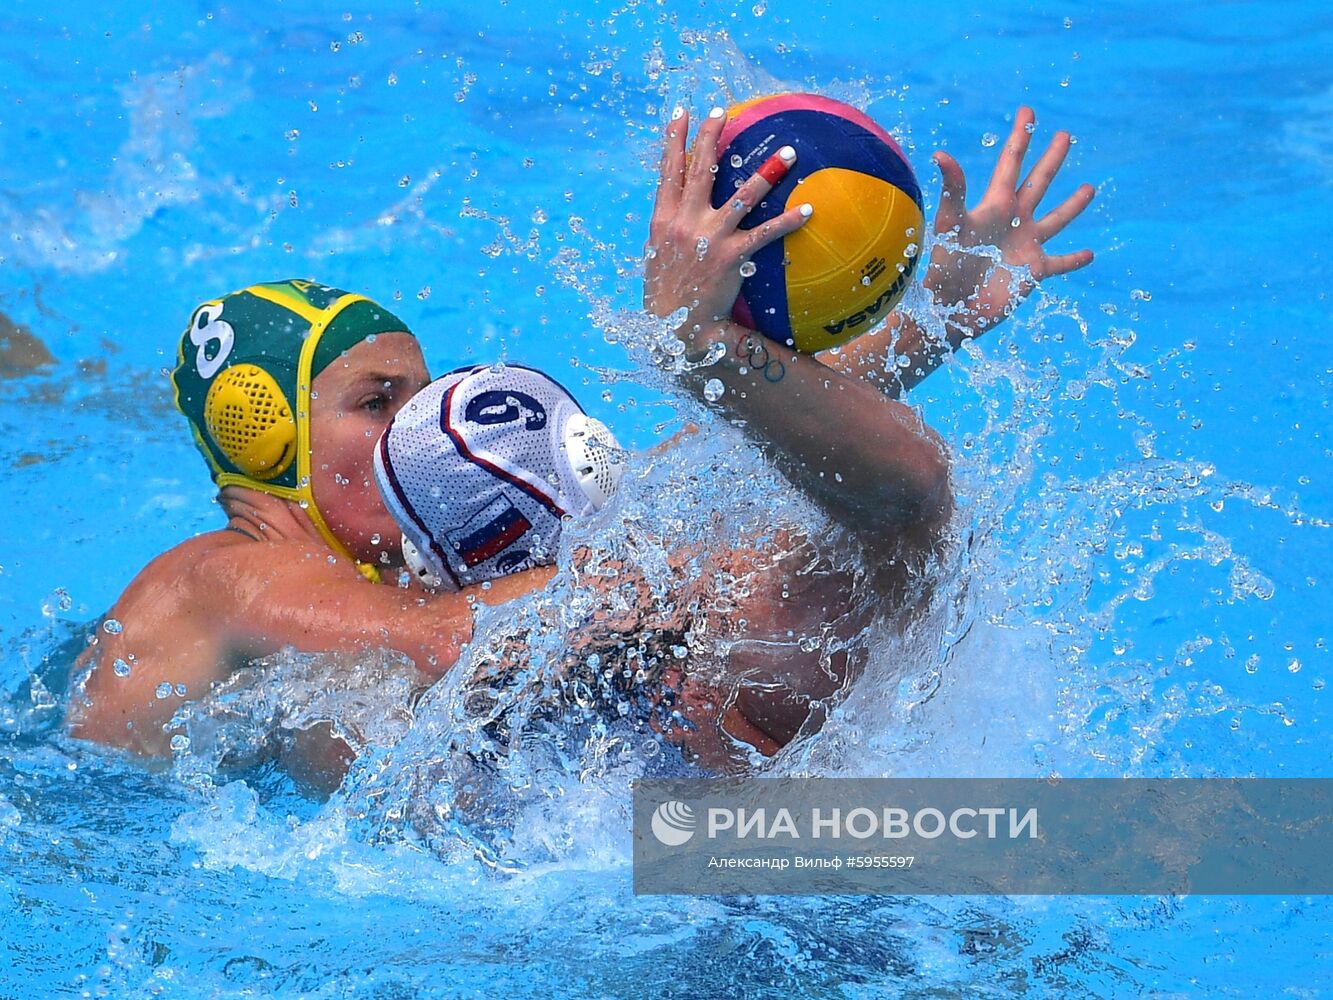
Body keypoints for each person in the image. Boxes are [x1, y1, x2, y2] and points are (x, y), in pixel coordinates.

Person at [68, 105, 1094, 775]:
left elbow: (688, 476)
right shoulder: (218, 577)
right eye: (380, 402)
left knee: (852, 548)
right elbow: (444, 644)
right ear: (272, 438)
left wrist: (932, 322)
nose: (422, 426)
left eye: (425, 393)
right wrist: (666, 585)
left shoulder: (409, 575)